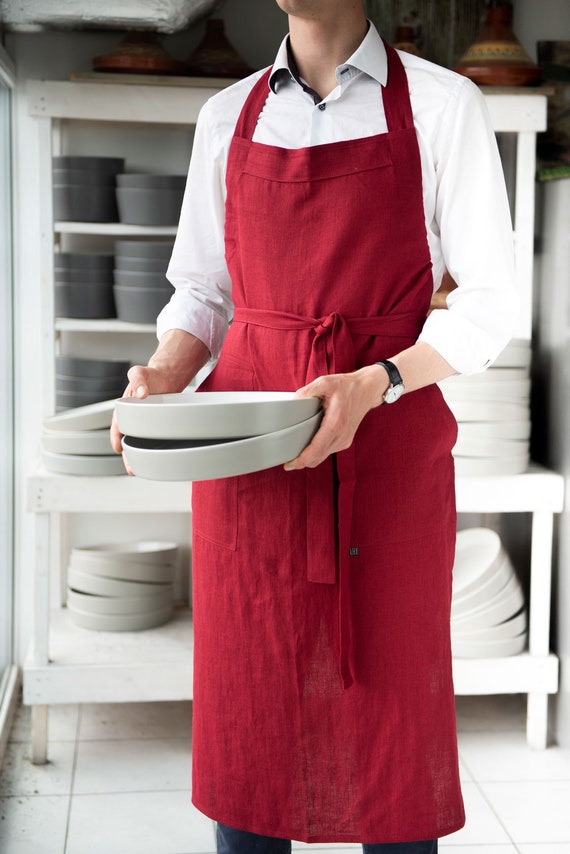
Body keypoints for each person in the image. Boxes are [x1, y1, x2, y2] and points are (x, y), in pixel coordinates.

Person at [111, 1, 517, 851]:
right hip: (251, 457)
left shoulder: (444, 107)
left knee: (393, 726)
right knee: (253, 715)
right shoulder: (226, 117)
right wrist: (166, 373)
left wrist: (378, 380)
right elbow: (204, 293)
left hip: (389, 441)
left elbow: (487, 304)